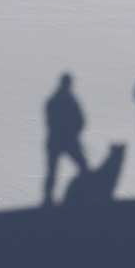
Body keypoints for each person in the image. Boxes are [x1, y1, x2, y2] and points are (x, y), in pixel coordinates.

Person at [43, 72, 89, 206]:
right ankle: (48, 199)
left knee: (80, 167)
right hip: (62, 139)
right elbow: (52, 121)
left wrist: (75, 130)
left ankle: (84, 195)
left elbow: (80, 120)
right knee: (53, 171)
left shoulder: (58, 100)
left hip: (64, 140)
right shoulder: (59, 100)